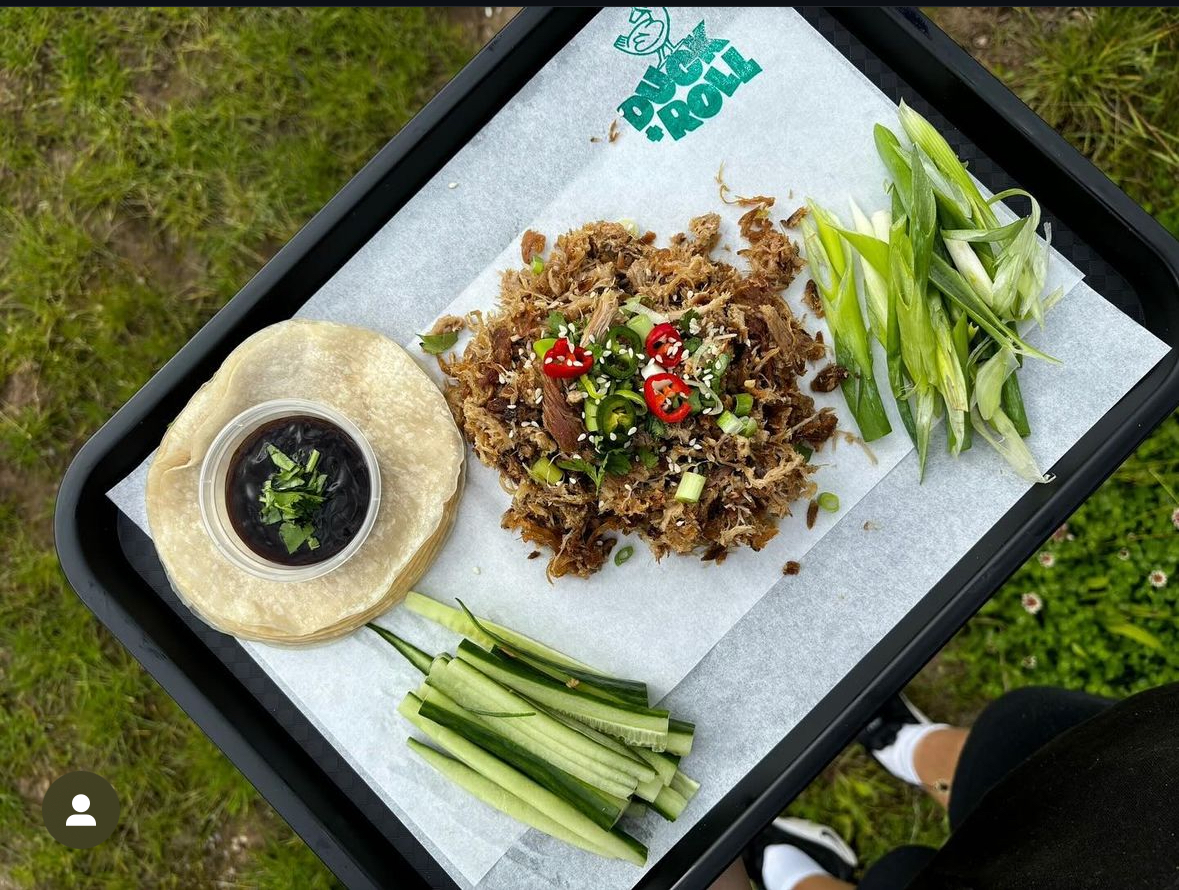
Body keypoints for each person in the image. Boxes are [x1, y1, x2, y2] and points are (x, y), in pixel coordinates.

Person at [710, 683, 1179, 889]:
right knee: (1016, 734)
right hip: (1146, 787)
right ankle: (906, 744)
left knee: (895, 876)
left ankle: (798, 879)